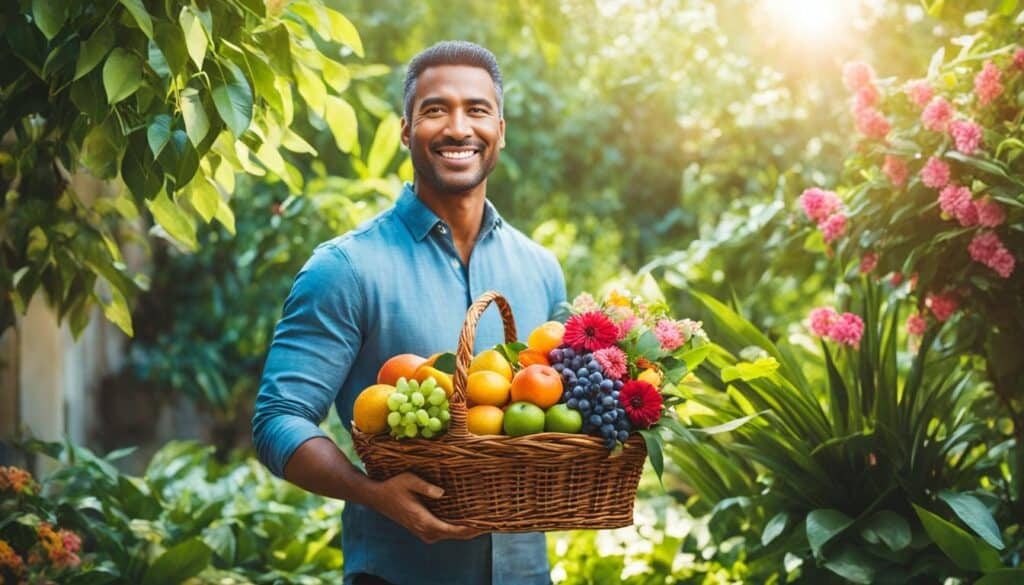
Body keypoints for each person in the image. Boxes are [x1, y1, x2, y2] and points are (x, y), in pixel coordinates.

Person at [252, 41, 566, 585]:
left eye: (477, 109)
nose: (458, 128)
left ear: (501, 130)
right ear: (405, 130)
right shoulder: (346, 268)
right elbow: (277, 418)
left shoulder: (541, 270)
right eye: (435, 110)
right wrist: (371, 494)